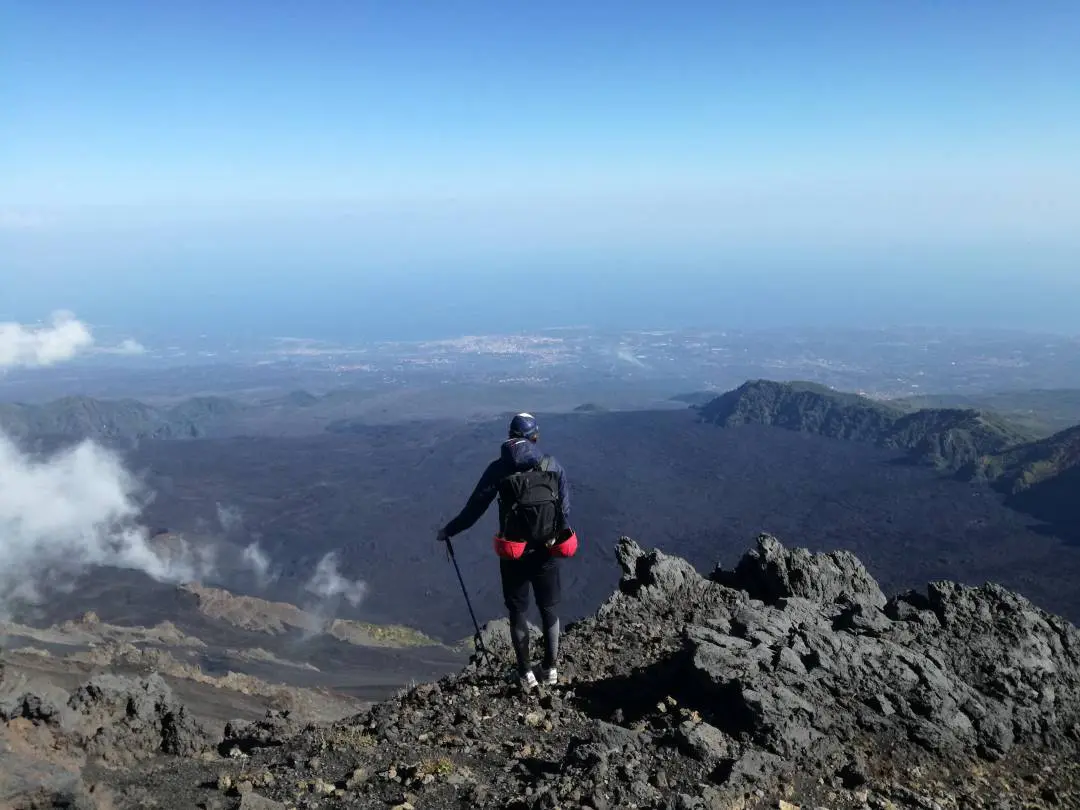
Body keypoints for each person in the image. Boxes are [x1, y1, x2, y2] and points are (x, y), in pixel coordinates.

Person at [437, 412, 572, 690]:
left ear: (510, 436)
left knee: (518, 611)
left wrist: (449, 530)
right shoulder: (552, 465)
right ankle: (551, 669)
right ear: (535, 437)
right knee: (549, 608)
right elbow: (565, 511)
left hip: (514, 553)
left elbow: (474, 509)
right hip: (547, 550)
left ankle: (525, 674)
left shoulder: (499, 469)